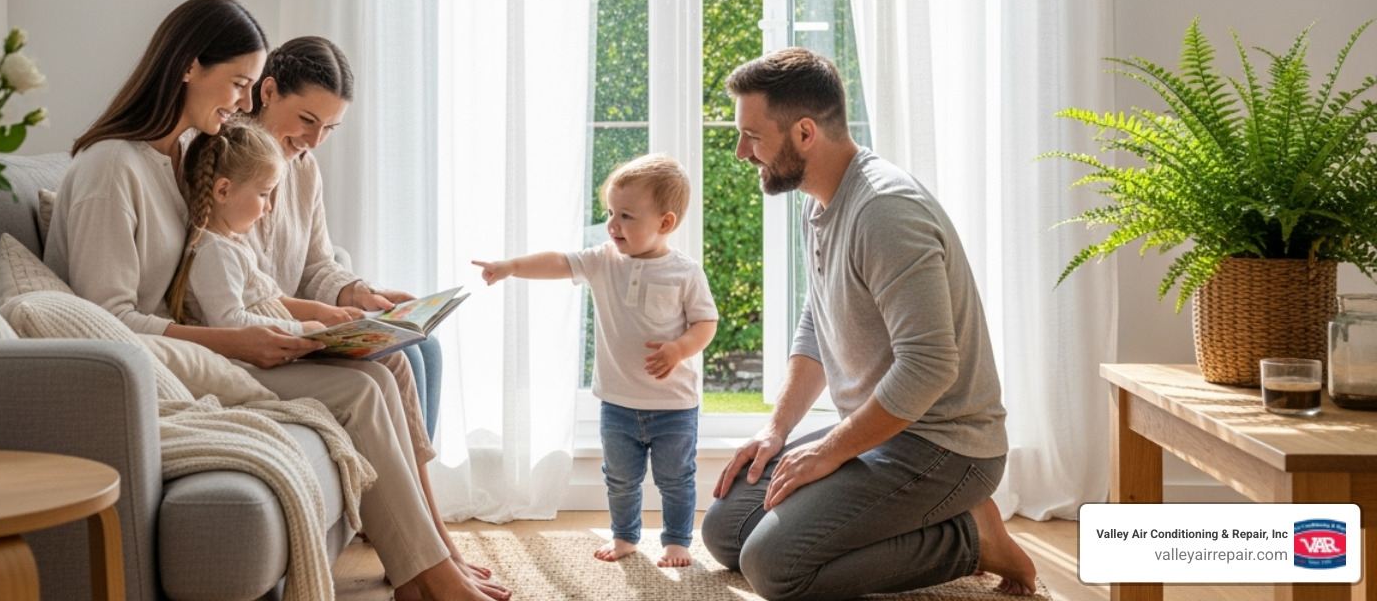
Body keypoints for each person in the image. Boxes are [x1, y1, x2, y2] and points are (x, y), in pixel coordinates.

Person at [42, 0, 499, 601]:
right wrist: (240, 340)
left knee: (382, 375)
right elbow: (109, 323)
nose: (238, 103)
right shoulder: (110, 170)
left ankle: (423, 566)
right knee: (367, 388)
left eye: (247, 86)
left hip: (206, 344)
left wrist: (341, 304)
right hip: (165, 364)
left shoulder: (183, 159)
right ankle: (427, 573)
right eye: (236, 83)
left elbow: (261, 270)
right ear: (187, 66)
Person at [700, 47, 1037, 600]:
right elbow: (819, 319)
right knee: (725, 532)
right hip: (883, 432)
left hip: (945, 445)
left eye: (753, 136)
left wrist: (829, 451)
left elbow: (929, 365)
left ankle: (971, 537)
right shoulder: (819, 198)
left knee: (774, 568)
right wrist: (777, 430)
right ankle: (919, 518)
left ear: (805, 133)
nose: (742, 152)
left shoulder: (885, 211)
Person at [473, 153, 718, 569]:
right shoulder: (604, 260)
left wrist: (679, 349)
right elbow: (558, 261)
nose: (613, 225)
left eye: (626, 216)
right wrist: (511, 266)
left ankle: (676, 541)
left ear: (665, 223)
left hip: (674, 407)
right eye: (610, 212)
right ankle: (625, 536)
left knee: (675, 479)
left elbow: (705, 323)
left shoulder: (684, 271)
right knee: (621, 479)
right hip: (618, 404)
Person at [246, 36, 442, 439]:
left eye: (330, 127)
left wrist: (362, 293)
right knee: (401, 359)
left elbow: (317, 263)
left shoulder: (304, 170)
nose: (315, 140)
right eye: (307, 120)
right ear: (268, 91)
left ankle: (421, 485)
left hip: (296, 320)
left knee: (426, 348)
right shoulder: (227, 165)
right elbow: (242, 286)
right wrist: (324, 320)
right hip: (265, 331)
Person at [164, 118, 325, 333]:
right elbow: (229, 321)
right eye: (264, 194)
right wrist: (300, 330)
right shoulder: (215, 252)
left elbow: (271, 300)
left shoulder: (232, 244)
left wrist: (322, 314)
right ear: (223, 191)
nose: (269, 207)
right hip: (254, 356)